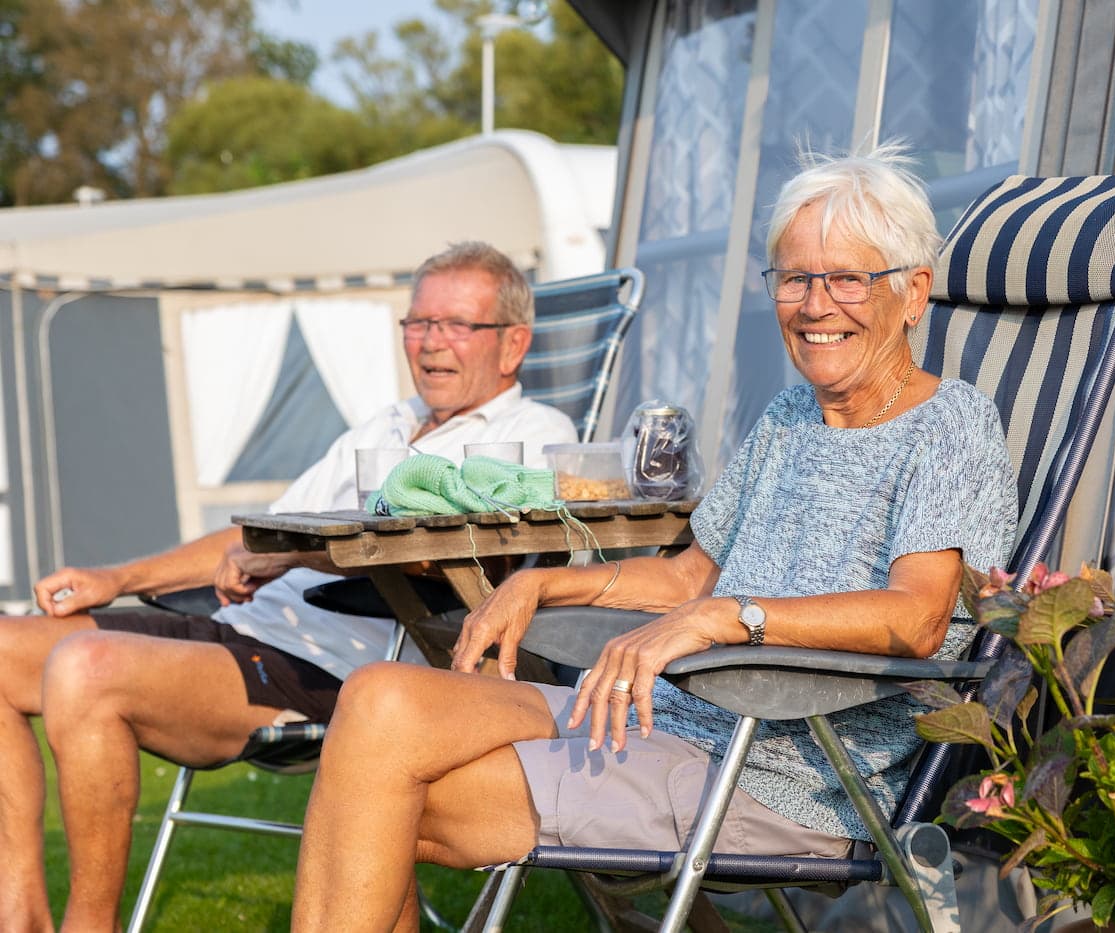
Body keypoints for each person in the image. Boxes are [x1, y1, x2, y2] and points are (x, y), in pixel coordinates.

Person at [290, 147, 1019, 932]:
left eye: (846, 278)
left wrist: (728, 617)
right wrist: (544, 582)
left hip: (790, 771)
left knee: (387, 796)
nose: (815, 304)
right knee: (375, 698)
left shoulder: (951, 425)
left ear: (912, 294)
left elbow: (917, 618)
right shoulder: (787, 418)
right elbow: (688, 578)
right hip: (670, 719)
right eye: (795, 278)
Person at [0, 240, 577, 930]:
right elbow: (261, 534)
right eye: (417, 323)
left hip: (332, 662)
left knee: (84, 667)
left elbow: (444, 562)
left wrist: (295, 554)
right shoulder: (386, 423)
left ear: (513, 344)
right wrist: (119, 577)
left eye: (455, 325)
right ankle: (19, 908)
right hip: (242, 625)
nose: (430, 344)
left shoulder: (529, 437)